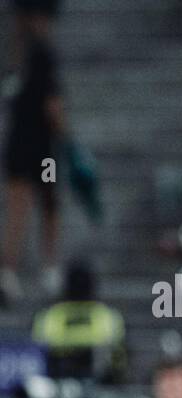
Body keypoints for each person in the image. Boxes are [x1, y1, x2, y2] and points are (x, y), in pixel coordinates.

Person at [2, 5, 64, 306]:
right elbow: (53, 106)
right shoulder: (41, 53)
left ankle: (9, 271)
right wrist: (67, 138)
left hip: (18, 143)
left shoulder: (15, 54)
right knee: (47, 203)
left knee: (18, 207)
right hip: (42, 147)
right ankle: (48, 267)